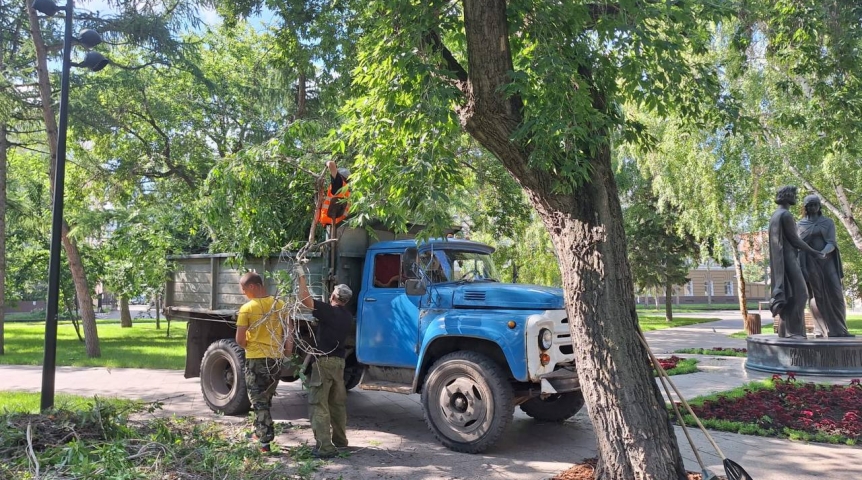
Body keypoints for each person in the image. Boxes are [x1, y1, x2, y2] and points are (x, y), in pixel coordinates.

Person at [294, 265, 352, 458]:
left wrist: (302, 276)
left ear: (334, 296)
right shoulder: (347, 316)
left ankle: (325, 448)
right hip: (339, 363)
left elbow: (304, 299)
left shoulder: (329, 311)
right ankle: (340, 442)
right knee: (337, 405)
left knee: (318, 404)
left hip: (324, 363)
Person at [235, 272, 288, 453]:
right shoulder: (280, 305)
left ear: (252, 286)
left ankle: (265, 442)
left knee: (258, 401)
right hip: (275, 359)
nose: (243, 293)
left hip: (256, 359)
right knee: (266, 398)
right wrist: (286, 352)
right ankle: (258, 432)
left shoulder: (247, 308)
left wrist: (250, 346)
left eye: (244, 289)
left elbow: (240, 340)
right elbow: (289, 333)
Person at [768, 186, 824, 338]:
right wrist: (814, 252)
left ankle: (784, 332)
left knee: (790, 295)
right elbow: (795, 240)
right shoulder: (785, 215)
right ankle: (793, 332)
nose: (796, 197)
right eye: (794, 194)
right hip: (788, 259)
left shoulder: (776, 215)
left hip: (782, 260)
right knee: (800, 294)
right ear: (787, 196)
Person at [797, 195, 854, 337]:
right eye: (809, 205)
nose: (812, 207)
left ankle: (840, 329)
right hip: (810, 263)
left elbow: (831, 242)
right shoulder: (800, 225)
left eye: (815, 204)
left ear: (819, 206)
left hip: (828, 262)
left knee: (837, 293)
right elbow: (799, 246)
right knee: (817, 295)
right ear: (806, 207)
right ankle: (821, 330)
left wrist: (823, 252)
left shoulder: (828, 222)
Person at [318, 160, 350, 226]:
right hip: (341, 225)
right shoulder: (348, 191)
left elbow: (331, 164)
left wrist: (326, 162)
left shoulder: (338, 183)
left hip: (331, 223)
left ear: (340, 176)